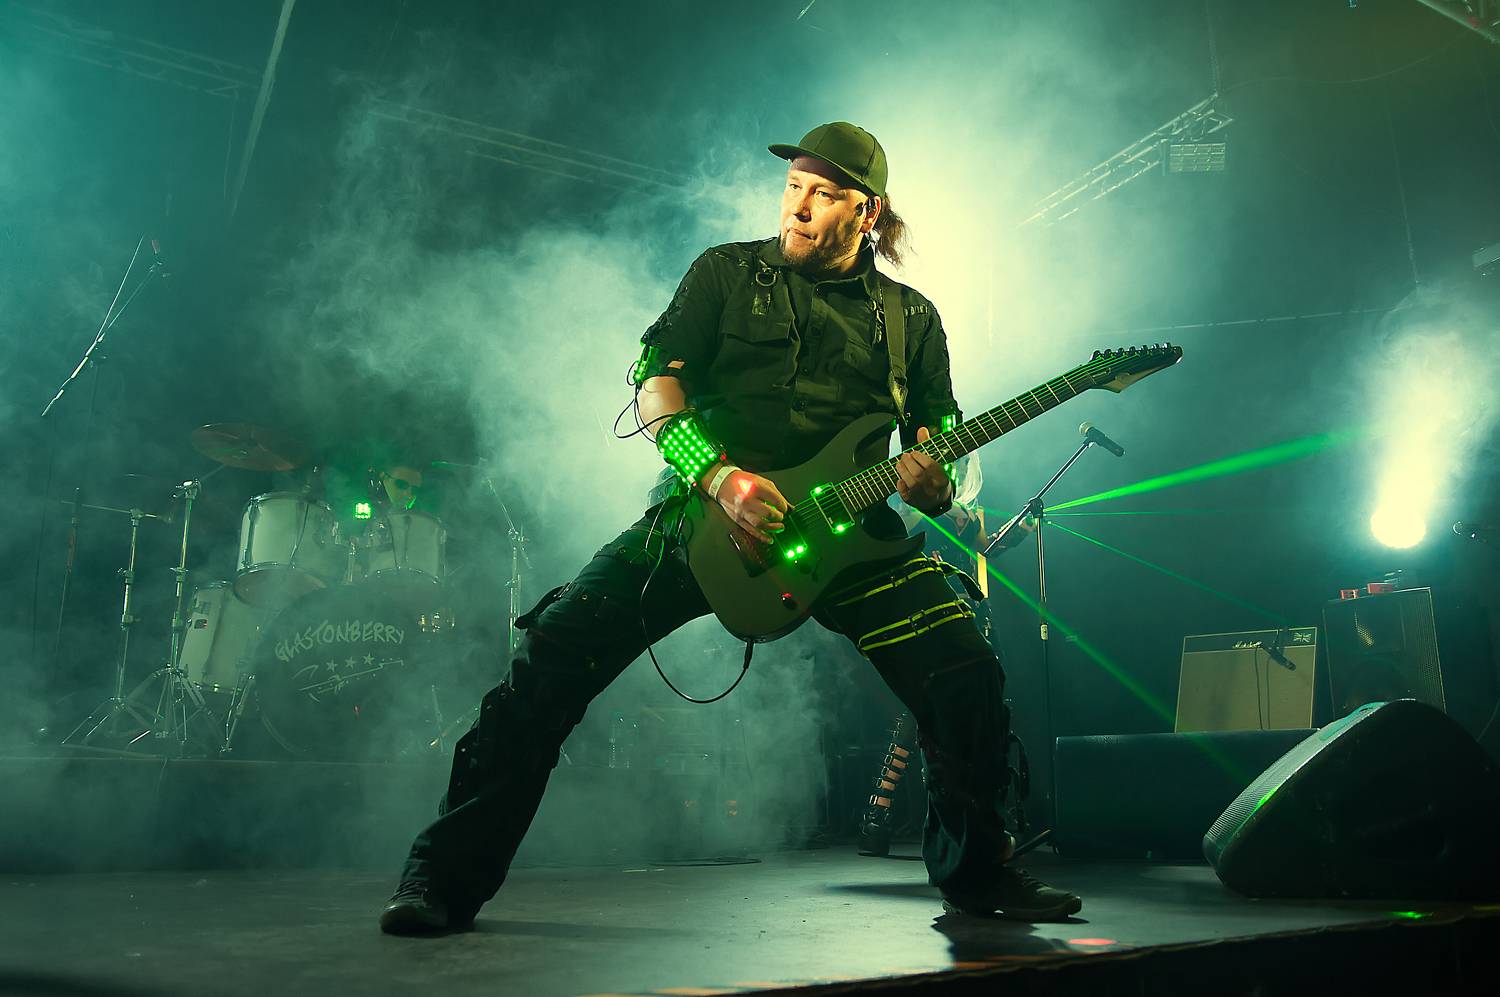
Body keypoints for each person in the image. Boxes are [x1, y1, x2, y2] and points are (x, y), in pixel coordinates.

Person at [379, 121, 1082, 934]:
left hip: (852, 536)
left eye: (824, 194)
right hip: (703, 516)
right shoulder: (725, 272)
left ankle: (980, 873)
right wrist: (719, 478)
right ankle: (442, 877)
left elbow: (939, 443)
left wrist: (936, 483)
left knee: (964, 665)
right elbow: (654, 391)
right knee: (553, 654)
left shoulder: (911, 318)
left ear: (868, 212)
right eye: (793, 188)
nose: (799, 207)